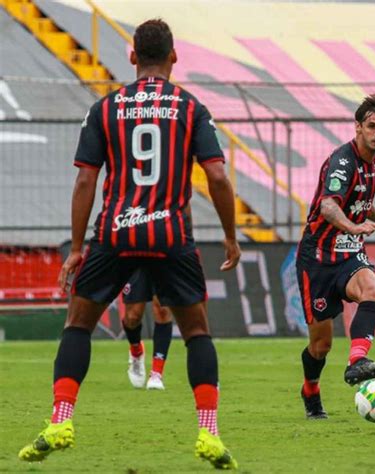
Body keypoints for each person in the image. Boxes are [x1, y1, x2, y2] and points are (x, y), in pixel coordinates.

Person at [19, 18, 240, 470]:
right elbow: (217, 176)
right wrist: (231, 236)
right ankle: (209, 433)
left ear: (133, 56)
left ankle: (61, 420)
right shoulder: (190, 107)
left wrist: (79, 246)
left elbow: (85, 179)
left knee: (78, 325)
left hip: (115, 233)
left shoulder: (105, 108)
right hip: (171, 234)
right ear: (174, 57)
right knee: (197, 332)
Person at [296, 94, 375, 419]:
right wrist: (353, 226)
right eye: (372, 126)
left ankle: (357, 363)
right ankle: (310, 391)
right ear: (358, 127)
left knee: (373, 291)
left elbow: (360, 200)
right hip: (318, 259)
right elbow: (328, 205)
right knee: (320, 346)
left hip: (348, 254)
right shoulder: (341, 162)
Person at [122, 268, 173, 390]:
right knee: (132, 317)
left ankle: (156, 373)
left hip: (162, 256)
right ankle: (136, 351)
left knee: (162, 310)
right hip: (135, 257)